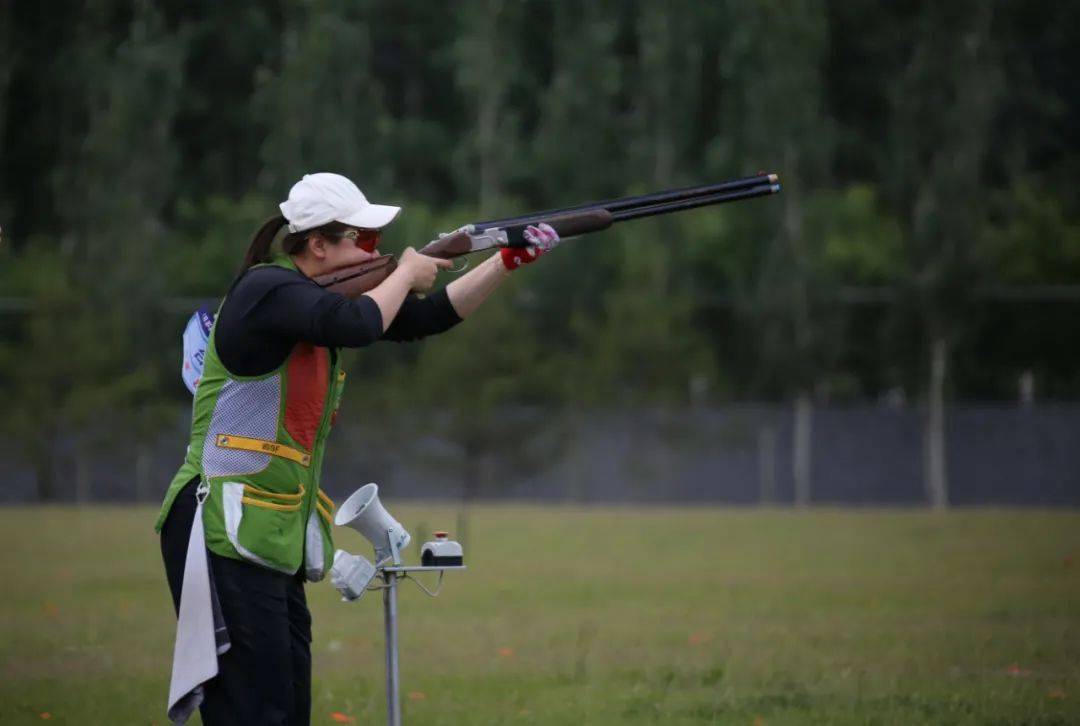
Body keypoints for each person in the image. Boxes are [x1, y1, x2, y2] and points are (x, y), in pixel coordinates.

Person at [155, 173, 560, 725]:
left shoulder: (310, 301)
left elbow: (428, 316)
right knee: (256, 711)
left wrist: (502, 262)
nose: (375, 251)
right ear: (317, 244)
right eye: (363, 240)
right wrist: (408, 273)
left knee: (287, 706)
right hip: (222, 526)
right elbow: (358, 322)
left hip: (267, 533)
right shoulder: (266, 290)